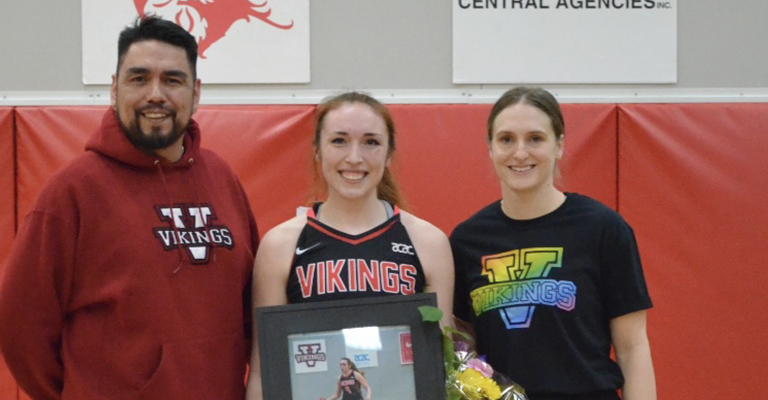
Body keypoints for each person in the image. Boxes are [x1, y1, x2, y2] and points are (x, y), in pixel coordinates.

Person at [0, 15, 259, 400]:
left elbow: (252, 308)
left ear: (195, 93)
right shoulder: (73, 191)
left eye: (172, 80)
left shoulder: (222, 178)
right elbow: (17, 326)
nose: (156, 94)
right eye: (139, 79)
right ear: (114, 89)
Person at [245, 92, 454, 400]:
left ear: (388, 153)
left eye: (371, 142)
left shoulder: (428, 242)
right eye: (339, 141)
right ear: (317, 151)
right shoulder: (281, 245)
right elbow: (265, 372)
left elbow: (443, 363)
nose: (354, 157)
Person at [450, 87, 656, 400]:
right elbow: (464, 351)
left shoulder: (602, 228)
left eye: (535, 138)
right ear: (490, 148)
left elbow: (632, 347)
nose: (520, 153)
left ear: (559, 145)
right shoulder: (467, 240)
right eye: (506, 139)